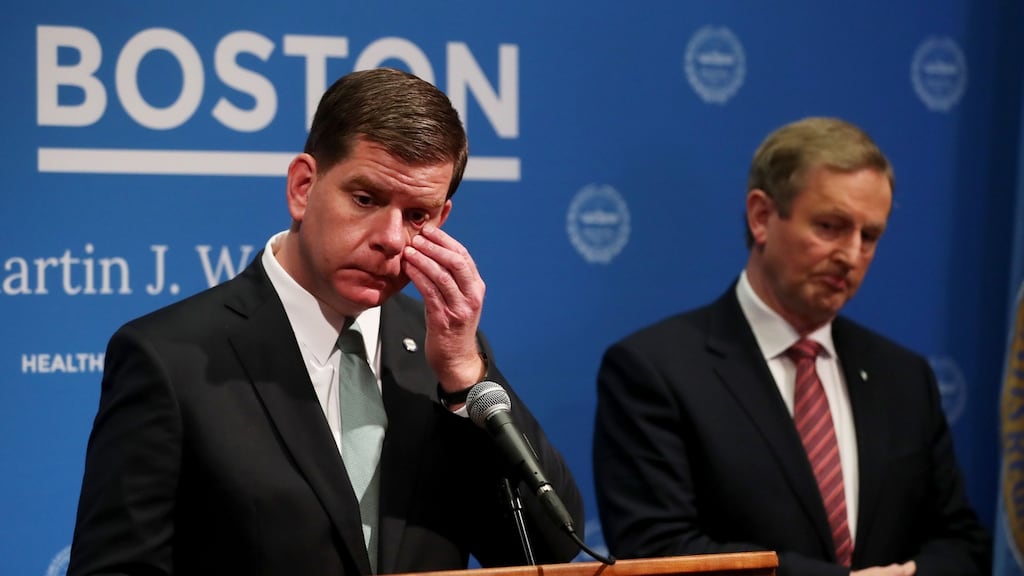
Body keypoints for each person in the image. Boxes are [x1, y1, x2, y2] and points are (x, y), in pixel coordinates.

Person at [69, 67, 583, 576]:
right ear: (302, 187)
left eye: (417, 215)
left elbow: (547, 550)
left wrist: (465, 373)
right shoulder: (170, 357)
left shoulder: (443, 354)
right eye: (366, 199)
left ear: (441, 219)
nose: (391, 236)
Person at [592, 117, 990, 576]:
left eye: (870, 236)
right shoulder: (655, 369)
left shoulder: (904, 376)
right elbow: (659, 549)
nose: (851, 254)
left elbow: (963, 542)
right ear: (762, 216)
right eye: (831, 226)